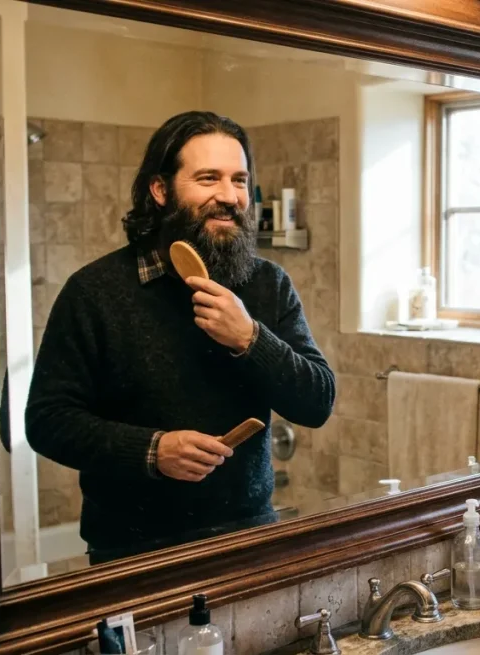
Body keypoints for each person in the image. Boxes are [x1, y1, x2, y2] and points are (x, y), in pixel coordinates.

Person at [26, 111, 335, 564]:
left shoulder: (268, 284)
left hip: (248, 540)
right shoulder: (95, 292)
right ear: (160, 190)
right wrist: (152, 450)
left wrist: (251, 339)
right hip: (130, 551)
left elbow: (318, 402)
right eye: (208, 178)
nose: (228, 196)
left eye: (239, 180)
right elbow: (46, 421)